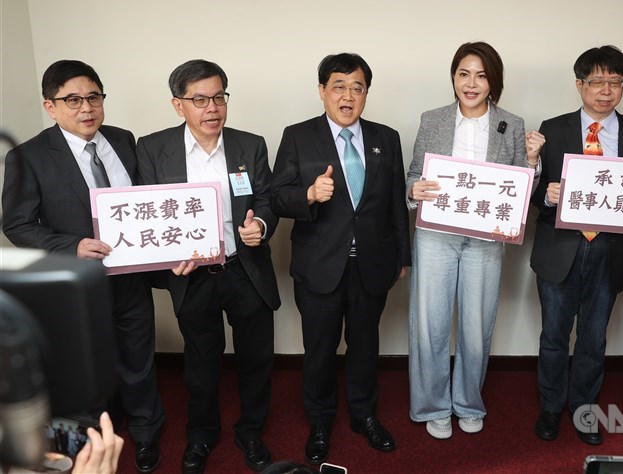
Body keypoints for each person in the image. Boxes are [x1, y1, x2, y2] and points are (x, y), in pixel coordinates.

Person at [1, 60, 165, 473]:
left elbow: (150, 205)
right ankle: (99, 440)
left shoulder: (125, 141)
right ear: (50, 106)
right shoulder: (28, 156)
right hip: (78, 288)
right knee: (91, 367)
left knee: (138, 358)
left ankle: (146, 434)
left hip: (130, 277)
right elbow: (17, 223)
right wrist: (70, 246)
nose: (86, 108)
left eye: (93, 97)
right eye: (72, 100)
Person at [136, 59, 281, 473]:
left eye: (219, 97)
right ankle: (201, 436)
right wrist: (168, 256)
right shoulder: (152, 147)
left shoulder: (249, 145)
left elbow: (266, 198)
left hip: (244, 268)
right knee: (201, 364)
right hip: (192, 275)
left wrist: (262, 226)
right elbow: (149, 212)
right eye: (200, 99)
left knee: (257, 359)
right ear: (178, 105)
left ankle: (251, 433)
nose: (212, 108)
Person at [270, 53, 410, 465]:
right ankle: (319, 421)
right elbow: (278, 197)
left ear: (366, 93)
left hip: (372, 263)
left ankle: (364, 416)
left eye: (357, 87)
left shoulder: (387, 136)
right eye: (339, 86)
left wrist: (402, 255)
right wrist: (308, 195)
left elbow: (395, 205)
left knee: (366, 347)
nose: (348, 95)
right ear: (322, 91)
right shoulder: (297, 136)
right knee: (319, 349)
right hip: (320, 266)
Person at [405, 41, 539, 440]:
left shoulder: (512, 124)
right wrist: (415, 191)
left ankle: (467, 402)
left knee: (476, 325)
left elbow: (522, 189)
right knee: (429, 325)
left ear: (493, 81)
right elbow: (412, 176)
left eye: (481, 75)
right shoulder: (433, 120)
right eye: (464, 73)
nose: (471, 83)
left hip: (484, 241)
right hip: (434, 237)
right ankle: (432, 405)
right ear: (453, 77)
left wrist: (532, 162)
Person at [529, 46, 623, 446]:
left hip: (611, 250)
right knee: (553, 335)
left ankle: (584, 409)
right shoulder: (552, 128)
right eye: (597, 81)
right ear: (579, 84)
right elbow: (531, 192)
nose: (606, 90)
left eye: (615, 82)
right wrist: (547, 195)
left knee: (593, 337)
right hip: (560, 249)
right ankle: (551, 406)